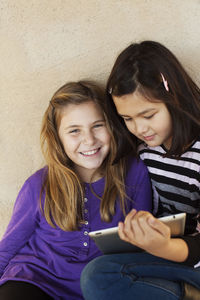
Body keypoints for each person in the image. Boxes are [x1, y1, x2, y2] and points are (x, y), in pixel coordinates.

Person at [0, 80, 152, 300]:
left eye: (98, 126)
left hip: (96, 287)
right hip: (34, 280)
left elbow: (142, 244)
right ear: (58, 138)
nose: (89, 140)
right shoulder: (39, 184)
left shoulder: (133, 172)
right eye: (74, 131)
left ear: (111, 125)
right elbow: (8, 247)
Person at [80, 41, 200, 300]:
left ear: (174, 97)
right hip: (172, 255)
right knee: (97, 275)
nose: (139, 128)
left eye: (148, 115)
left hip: (189, 255)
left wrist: (165, 246)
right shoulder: (146, 152)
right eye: (128, 118)